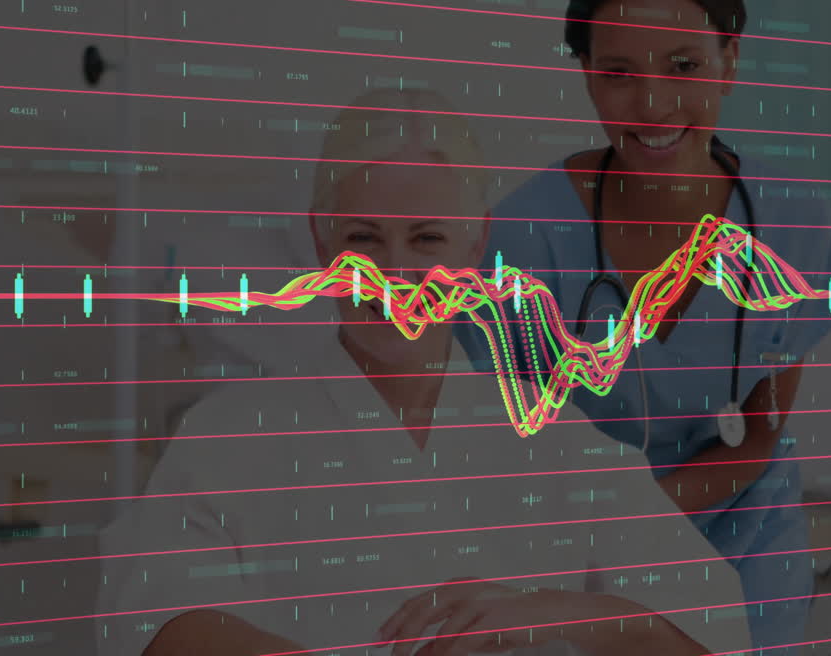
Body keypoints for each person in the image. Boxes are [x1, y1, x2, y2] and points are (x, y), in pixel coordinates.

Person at [93, 88, 753, 656]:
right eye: (363, 239)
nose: (394, 274)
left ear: (476, 242)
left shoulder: (552, 439)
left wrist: (557, 612)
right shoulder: (231, 435)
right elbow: (154, 619)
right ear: (321, 240)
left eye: (427, 238)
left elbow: (713, 624)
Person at [455, 0, 831, 652]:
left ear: (729, 60)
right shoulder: (524, 239)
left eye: (684, 66)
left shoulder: (792, 220)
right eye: (618, 73)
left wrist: (638, 528)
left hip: (746, 549)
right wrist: (603, 552)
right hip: (578, 566)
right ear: (586, 75)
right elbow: (507, 456)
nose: (653, 105)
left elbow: (759, 434)